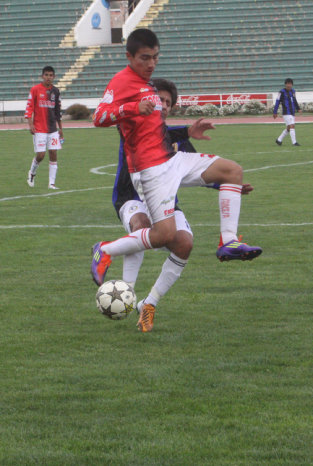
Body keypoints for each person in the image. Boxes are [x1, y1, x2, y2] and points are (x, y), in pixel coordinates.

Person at [92, 28, 262, 332]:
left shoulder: (156, 109)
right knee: (154, 232)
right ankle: (108, 254)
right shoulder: (125, 84)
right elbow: (99, 117)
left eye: (156, 57)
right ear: (129, 56)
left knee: (230, 173)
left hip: (169, 167)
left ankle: (227, 242)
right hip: (141, 180)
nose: (152, 63)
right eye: (146, 58)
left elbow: (168, 140)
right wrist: (133, 108)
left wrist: (227, 185)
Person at [111, 77, 253, 290]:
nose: (164, 106)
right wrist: (186, 130)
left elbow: (196, 173)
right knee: (141, 223)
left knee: (184, 244)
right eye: (160, 100)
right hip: (131, 197)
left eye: (168, 103)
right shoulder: (133, 127)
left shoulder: (179, 142)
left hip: (166, 201)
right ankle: (126, 290)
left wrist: (227, 184)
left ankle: (150, 303)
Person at [25, 66, 63, 189]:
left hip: (52, 129)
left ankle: (51, 183)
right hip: (39, 128)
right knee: (41, 155)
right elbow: (29, 108)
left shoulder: (56, 91)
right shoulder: (35, 90)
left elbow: (58, 111)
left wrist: (60, 129)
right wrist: (31, 125)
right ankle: (32, 173)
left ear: (54, 77)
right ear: (42, 76)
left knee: (53, 153)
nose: (48, 77)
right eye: (46, 75)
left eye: (51, 75)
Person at [273, 78, 301, 146]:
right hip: (286, 112)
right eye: (288, 83)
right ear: (285, 84)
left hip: (292, 112)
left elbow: (294, 100)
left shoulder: (293, 91)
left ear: (292, 84)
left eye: (290, 84)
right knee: (292, 126)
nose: (289, 85)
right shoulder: (281, 92)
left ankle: (279, 140)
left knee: (288, 128)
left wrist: (298, 108)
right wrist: (275, 112)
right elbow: (277, 102)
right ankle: (294, 142)